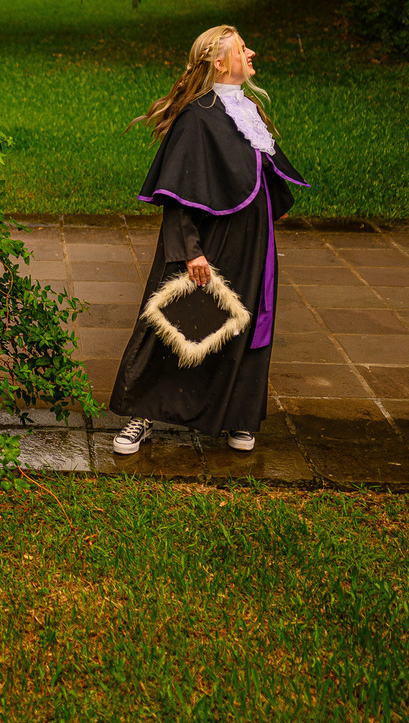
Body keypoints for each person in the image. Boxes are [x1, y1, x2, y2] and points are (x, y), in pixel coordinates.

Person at [109, 25, 308, 455]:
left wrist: (277, 199)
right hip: (208, 239)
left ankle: (240, 416)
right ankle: (139, 416)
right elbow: (177, 194)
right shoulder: (198, 115)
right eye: (241, 49)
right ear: (219, 63)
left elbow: (257, 163)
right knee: (179, 320)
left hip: (253, 241)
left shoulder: (248, 108)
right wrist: (190, 252)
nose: (251, 52)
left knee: (242, 326)